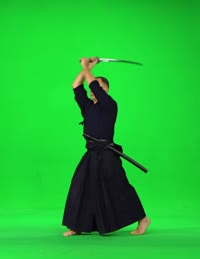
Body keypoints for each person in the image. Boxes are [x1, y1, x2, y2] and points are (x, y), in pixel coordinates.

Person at [62, 57, 151, 237]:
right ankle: (77, 225)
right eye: (93, 90)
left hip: (108, 154)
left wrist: (86, 67)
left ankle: (143, 219)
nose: (94, 92)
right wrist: (88, 67)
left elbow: (93, 84)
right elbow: (75, 86)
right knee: (80, 187)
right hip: (91, 154)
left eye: (99, 89)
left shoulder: (110, 105)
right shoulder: (87, 107)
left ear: (107, 90)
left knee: (119, 187)